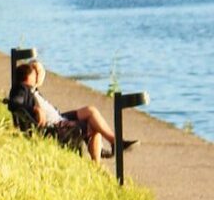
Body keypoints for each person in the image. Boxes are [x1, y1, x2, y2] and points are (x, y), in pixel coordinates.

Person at [8, 61, 137, 162]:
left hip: (59, 118)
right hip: (54, 126)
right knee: (92, 126)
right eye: (34, 74)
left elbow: (37, 78)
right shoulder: (22, 89)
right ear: (27, 77)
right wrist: (34, 109)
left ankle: (115, 142)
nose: (36, 77)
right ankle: (100, 161)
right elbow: (14, 103)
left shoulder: (31, 89)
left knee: (90, 110)